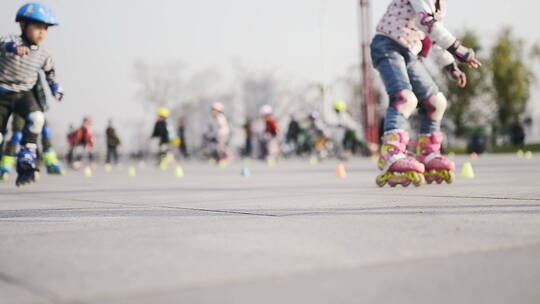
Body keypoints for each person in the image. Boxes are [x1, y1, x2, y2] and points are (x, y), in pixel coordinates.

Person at [371, 0, 481, 187]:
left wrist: (450, 66)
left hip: (409, 53)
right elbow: (426, 22)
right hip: (387, 45)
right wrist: (458, 50)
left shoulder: (440, 4)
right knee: (404, 98)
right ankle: (391, 154)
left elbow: (434, 34)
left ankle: (428, 153)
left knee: (436, 102)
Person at [0, 3, 64, 186]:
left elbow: (50, 72)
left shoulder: (44, 53)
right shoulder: (10, 40)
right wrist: (13, 48)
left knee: (37, 118)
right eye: (37, 27)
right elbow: (1, 44)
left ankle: (27, 153)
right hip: (2, 94)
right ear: (23, 25)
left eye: (45, 28)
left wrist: (56, 89)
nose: (42, 32)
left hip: (24, 94)